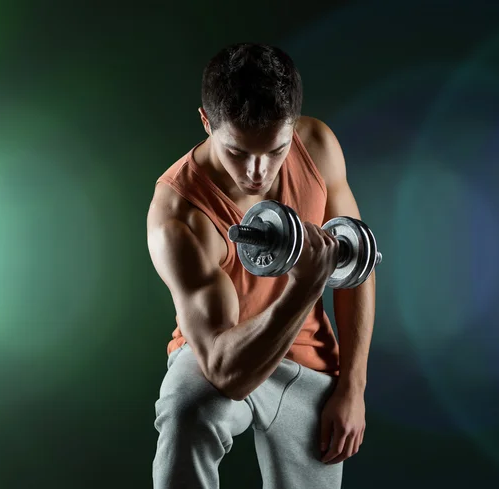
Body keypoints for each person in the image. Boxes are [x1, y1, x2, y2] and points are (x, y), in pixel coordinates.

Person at [146, 42, 376, 489]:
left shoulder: (316, 147)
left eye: (275, 151)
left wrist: (353, 388)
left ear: (293, 126)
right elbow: (225, 370)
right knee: (185, 409)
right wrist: (303, 289)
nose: (257, 172)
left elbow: (355, 264)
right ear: (207, 122)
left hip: (308, 361)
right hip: (218, 351)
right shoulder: (180, 216)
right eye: (237, 152)